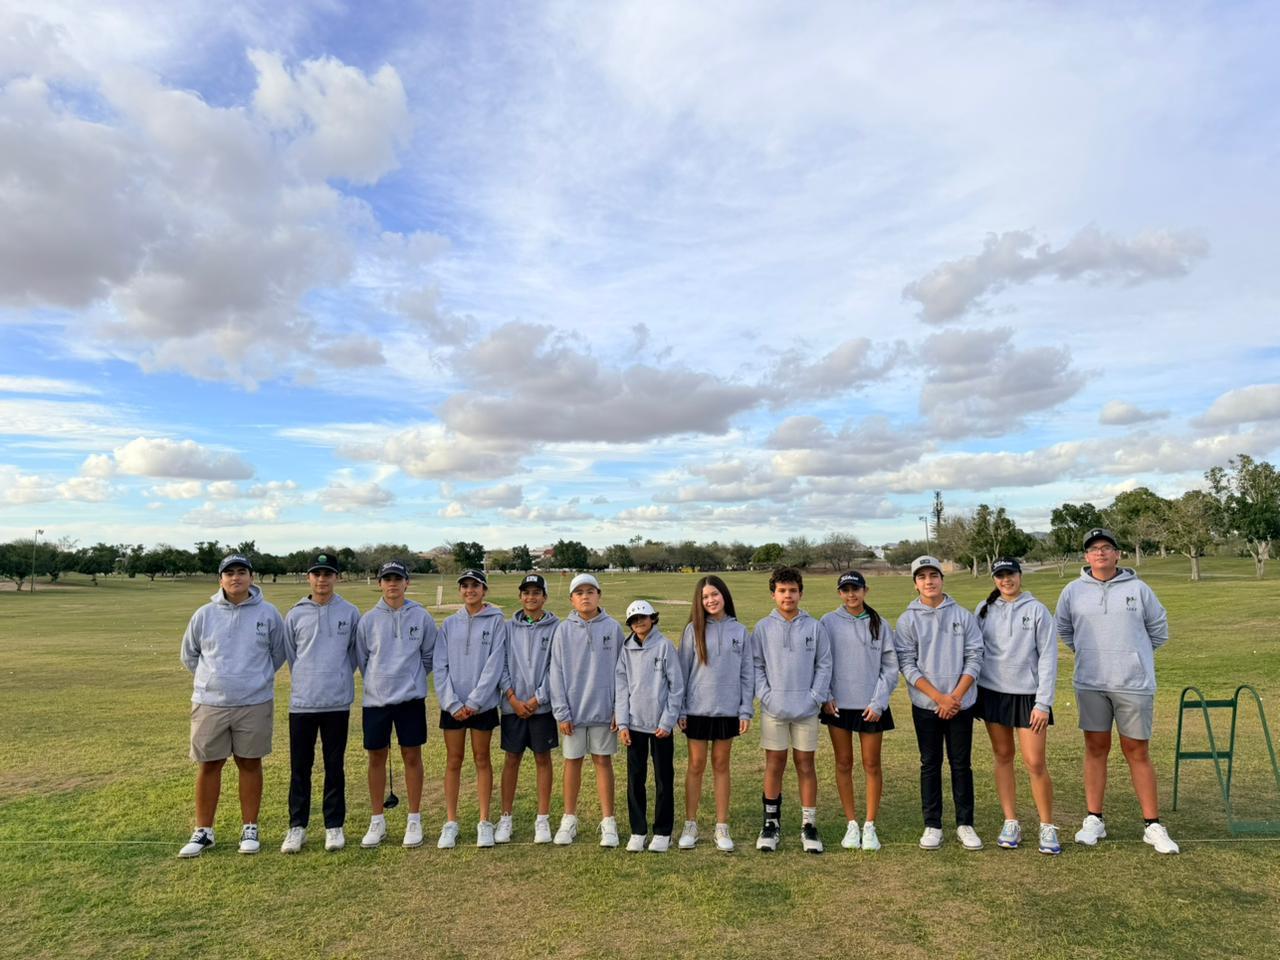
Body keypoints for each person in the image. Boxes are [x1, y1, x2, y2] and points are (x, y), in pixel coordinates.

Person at [1056, 528, 1179, 854]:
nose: (1100, 553)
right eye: (1094, 549)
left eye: (1106, 548)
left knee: (1137, 751)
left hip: (1133, 684)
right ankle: (1094, 818)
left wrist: (1131, 657)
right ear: (1086, 556)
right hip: (1091, 683)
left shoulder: (1139, 589)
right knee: (1095, 749)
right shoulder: (1072, 591)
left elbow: (1158, 631)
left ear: (1117, 554)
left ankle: (1152, 825)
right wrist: (1093, 657)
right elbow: (1066, 631)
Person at [178, 553, 287, 858]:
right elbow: (190, 654)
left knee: (250, 763)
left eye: (242, 572)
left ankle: (250, 827)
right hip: (210, 702)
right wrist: (213, 680)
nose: (235, 577)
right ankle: (203, 831)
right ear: (221, 579)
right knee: (209, 764)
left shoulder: (268, 614)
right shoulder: (204, 614)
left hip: (254, 701)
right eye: (229, 573)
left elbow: (277, 654)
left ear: (252, 577)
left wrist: (254, 680)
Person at [894, 556, 984, 852]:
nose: (929, 581)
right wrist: (938, 697)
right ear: (915, 583)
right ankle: (932, 824)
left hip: (960, 704)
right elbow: (907, 663)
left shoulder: (963, 615)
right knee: (930, 764)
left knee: (961, 764)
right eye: (922, 577)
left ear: (942, 579)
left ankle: (965, 823)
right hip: (926, 705)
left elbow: (974, 657)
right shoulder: (908, 619)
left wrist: (955, 696)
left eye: (934, 575)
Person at [974, 558, 1060, 855]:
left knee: (1035, 762)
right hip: (993, 693)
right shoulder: (983, 610)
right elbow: (975, 652)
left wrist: (1043, 703)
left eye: (1010, 574)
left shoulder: (1036, 610)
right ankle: (1011, 820)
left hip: (1028, 696)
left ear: (1020, 576)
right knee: (1003, 756)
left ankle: (1047, 826)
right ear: (995, 579)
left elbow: (1048, 657)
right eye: (1000, 576)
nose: (1006, 580)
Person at [280, 553, 361, 854]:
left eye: (328, 574)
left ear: (336, 577)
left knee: (334, 766)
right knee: (300, 767)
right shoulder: (295, 614)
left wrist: (337, 678)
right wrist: (307, 680)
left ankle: (333, 826)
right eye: (317, 574)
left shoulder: (350, 612)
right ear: (309, 578)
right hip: (302, 703)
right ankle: (296, 827)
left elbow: (354, 654)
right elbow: (292, 655)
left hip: (337, 702)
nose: (322, 579)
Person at [355, 560, 437, 850]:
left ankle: (414, 819)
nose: (392, 584)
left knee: (411, 756)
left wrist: (411, 680)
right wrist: (379, 682)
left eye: (397, 579)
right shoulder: (367, 620)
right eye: (386, 579)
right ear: (379, 584)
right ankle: (377, 820)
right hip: (376, 701)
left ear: (406, 583)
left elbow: (428, 657)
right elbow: (363, 660)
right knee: (376, 758)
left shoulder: (421, 617)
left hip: (411, 699)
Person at [752, 566, 833, 854]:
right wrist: (767, 697)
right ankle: (771, 824)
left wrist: (815, 697)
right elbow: (757, 666)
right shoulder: (763, 627)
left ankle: (808, 825)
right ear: (773, 594)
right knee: (775, 764)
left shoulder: (814, 626)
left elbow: (824, 664)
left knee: (805, 765)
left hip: (806, 709)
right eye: (782, 591)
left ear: (801, 593)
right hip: (775, 708)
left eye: (793, 590)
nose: (788, 596)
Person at [819, 571, 898, 853]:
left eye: (856, 589)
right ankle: (851, 823)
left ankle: (869, 824)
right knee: (843, 763)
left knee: (871, 764)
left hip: (870, 707)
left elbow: (889, 667)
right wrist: (826, 697)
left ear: (866, 590)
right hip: (838, 706)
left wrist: (878, 703)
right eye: (845, 590)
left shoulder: (880, 624)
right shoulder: (828, 622)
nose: (851, 595)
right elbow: (822, 663)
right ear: (839, 593)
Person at [676, 575, 753, 852]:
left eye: (714, 595)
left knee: (721, 765)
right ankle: (691, 824)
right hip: (697, 710)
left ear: (724, 596)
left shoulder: (740, 631)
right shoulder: (691, 630)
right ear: (699, 601)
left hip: (727, 710)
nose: (710, 600)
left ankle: (722, 827)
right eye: (705, 596)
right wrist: (681, 708)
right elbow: (681, 673)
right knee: (696, 765)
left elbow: (747, 674)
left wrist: (745, 709)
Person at [549, 573, 624, 847]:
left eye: (590, 591)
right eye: (579, 592)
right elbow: (555, 672)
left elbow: (621, 670)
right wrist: (562, 712)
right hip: (573, 712)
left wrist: (619, 707)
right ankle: (569, 818)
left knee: (603, 762)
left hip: (604, 710)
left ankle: (608, 822)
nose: (585, 596)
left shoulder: (613, 628)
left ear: (599, 595)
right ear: (571, 599)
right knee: (573, 762)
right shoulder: (563, 629)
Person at [435, 569, 507, 849]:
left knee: (482, 760)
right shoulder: (450, 624)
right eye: (464, 586)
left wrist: (475, 702)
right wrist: (453, 703)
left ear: (484, 590)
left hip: (483, 705)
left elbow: (495, 664)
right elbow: (440, 666)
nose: (469, 590)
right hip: (453, 706)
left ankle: (484, 821)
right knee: (453, 761)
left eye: (475, 586)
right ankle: (451, 822)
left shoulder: (496, 621)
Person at [616, 600, 685, 853]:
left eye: (643, 618)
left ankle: (663, 831)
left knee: (664, 779)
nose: (639, 623)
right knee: (635, 779)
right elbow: (621, 688)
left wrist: (667, 721)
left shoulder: (665, 646)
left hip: (660, 727)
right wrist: (623, 723)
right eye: (634, 620)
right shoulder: (625, 650)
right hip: (634, 724)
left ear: (653, 618)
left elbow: (676, 687)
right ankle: (638, 830)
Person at [496, 573, 560, 844]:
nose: (531, 597)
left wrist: (537, 699)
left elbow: (556, 668)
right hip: (513, 706)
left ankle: (542, 819)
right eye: (526, 592)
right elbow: (502, 664)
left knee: (542, 759)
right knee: (512, 759)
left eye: (536, 592)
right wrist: (512, 697)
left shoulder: (557, 628)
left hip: (541, 708)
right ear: (520, 596)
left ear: (544, 596)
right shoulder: (508, 627)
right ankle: (505, 818)